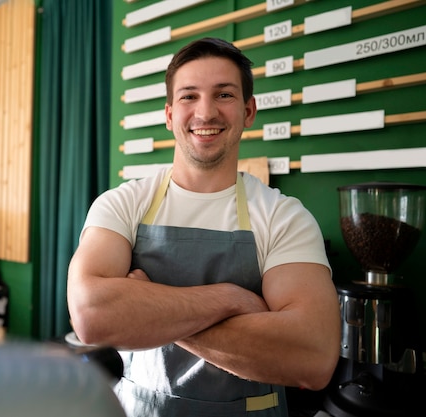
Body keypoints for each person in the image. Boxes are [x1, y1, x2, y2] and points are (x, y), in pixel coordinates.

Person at [67, 37, 341, 417]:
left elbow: (313, 356)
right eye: (189, 96)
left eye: (224, 95)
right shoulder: (123, 204)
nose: (206, 112)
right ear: (169, 114)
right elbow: (91, 315)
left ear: (248, 111)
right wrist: (231, 298)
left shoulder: (284, 217)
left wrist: (150, 311)